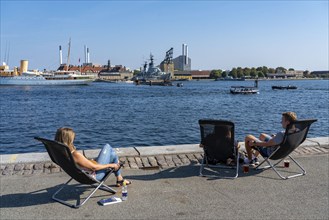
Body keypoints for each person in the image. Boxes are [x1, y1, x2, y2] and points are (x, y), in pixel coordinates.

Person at [54, 127, 131, 186]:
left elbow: (82, 164)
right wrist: (111, 165)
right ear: (68, 140)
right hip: (95, 176)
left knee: (112, 154)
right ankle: (119, 178)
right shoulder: (75, 155)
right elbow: (94, 167)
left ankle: (120, 179)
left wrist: (88, 161)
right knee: (107, 147)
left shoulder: (59, 153)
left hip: (80, 175)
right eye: (73, 138)